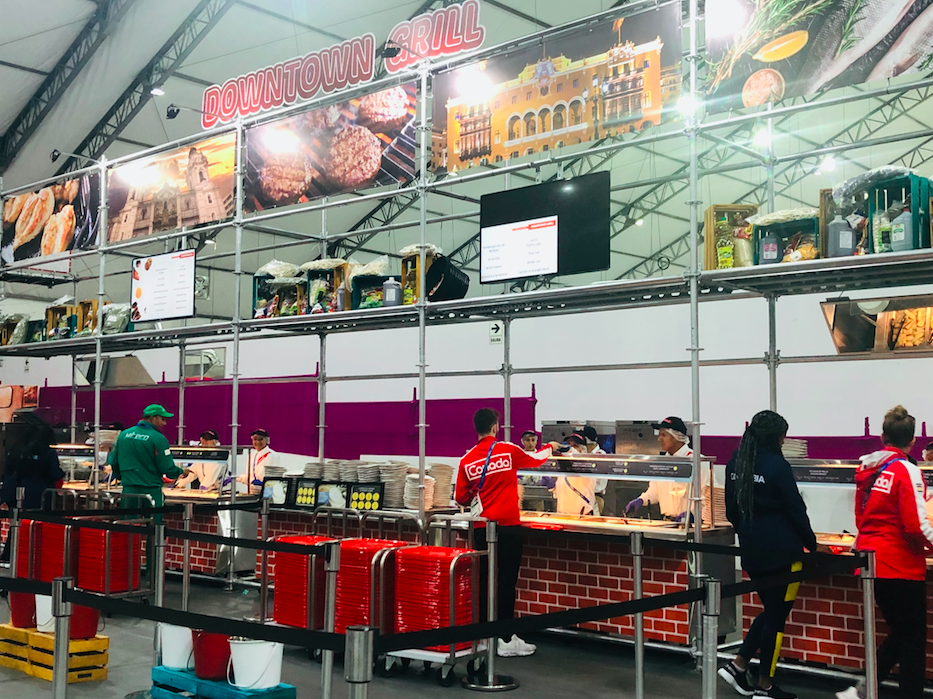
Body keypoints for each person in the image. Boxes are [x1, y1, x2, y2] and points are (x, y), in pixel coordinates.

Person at [719, 410, 823, 699]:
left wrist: (749, 533)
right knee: (776, 618)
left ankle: (738, 665)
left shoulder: (734, 463)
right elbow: (795, 509)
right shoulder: (778, 466)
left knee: (771, 612)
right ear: (776, 437)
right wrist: (811, 543)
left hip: (752, 550)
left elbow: (731, 511)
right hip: (783, 554)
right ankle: (765, 685)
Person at [836, 406, 933, 699]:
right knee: (913, 640)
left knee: (902, 633)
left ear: (882, 435)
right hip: (901, 563)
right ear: (913, 441)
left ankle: (864, 689)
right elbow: (917, 524)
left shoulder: (869, 470)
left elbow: (861, 517)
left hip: (872, 560)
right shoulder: (907, 471)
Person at [455, 408, 559, 658]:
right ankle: (504, 637)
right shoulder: (507, 450)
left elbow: (459, 496)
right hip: (509, 526)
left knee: (483, 580)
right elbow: (536, 459)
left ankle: (482, 634)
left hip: (481, 527)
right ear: (495, 427)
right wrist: (552, 447)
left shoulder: (466, 460)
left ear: (477, 429)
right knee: (506, 581)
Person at [108, 405, 190, 516]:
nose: (164, 423)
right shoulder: (158, 438)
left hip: (128, 491)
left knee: (129, 527)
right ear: (153, 418)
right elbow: (167, 467)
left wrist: (121, 477)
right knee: (154, 528)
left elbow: (113, 461)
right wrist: (181, 472)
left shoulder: (124, 435)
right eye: (163, 419)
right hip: (151, 492)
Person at [0, 426, 65, 563]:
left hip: (16, 491)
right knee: (37, 525)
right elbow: (54, 473)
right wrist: (62, 473)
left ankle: (10, 555)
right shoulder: (47, 452)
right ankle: (33, 556)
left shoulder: (20, 449)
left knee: (17, 524)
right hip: (39, 493)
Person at [625, 416, 706, 521]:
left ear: (677, 436)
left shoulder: (697, 460)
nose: (659, 439)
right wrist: (641, 500)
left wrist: (692, 514)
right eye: (659, 435)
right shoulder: (662, 462)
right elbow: (654, 492)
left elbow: (707, 496)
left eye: (663, 435)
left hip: (690, 525)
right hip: (666, 522)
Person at [552, 428, 600, 516]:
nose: (571, 448)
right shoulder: (563, 468)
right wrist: (552, 488)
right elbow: (559, 494)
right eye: (569, 445)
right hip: (562, 517)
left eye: (575, 446)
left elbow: (579, 461)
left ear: (584, 450)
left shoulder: (587, 465)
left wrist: (568, 451)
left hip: (582, 518)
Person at [518, 430, 555, 511]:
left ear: (536, 441)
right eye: (527, 440)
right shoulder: (519, 456)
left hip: (538, 494)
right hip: (521, 494)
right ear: (522, 441)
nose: (530, 443)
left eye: (533, 440)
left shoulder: (541, 456)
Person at [236, 429, 276, 495]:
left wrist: (264, 484)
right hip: (253, 493)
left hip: (266, 493)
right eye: (255, 439)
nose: (257, 442)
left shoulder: (272, 455)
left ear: (267, 440)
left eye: (260, 439)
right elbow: (250, 478)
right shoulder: (252, 455)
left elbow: (275, 478)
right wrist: (236, 478)